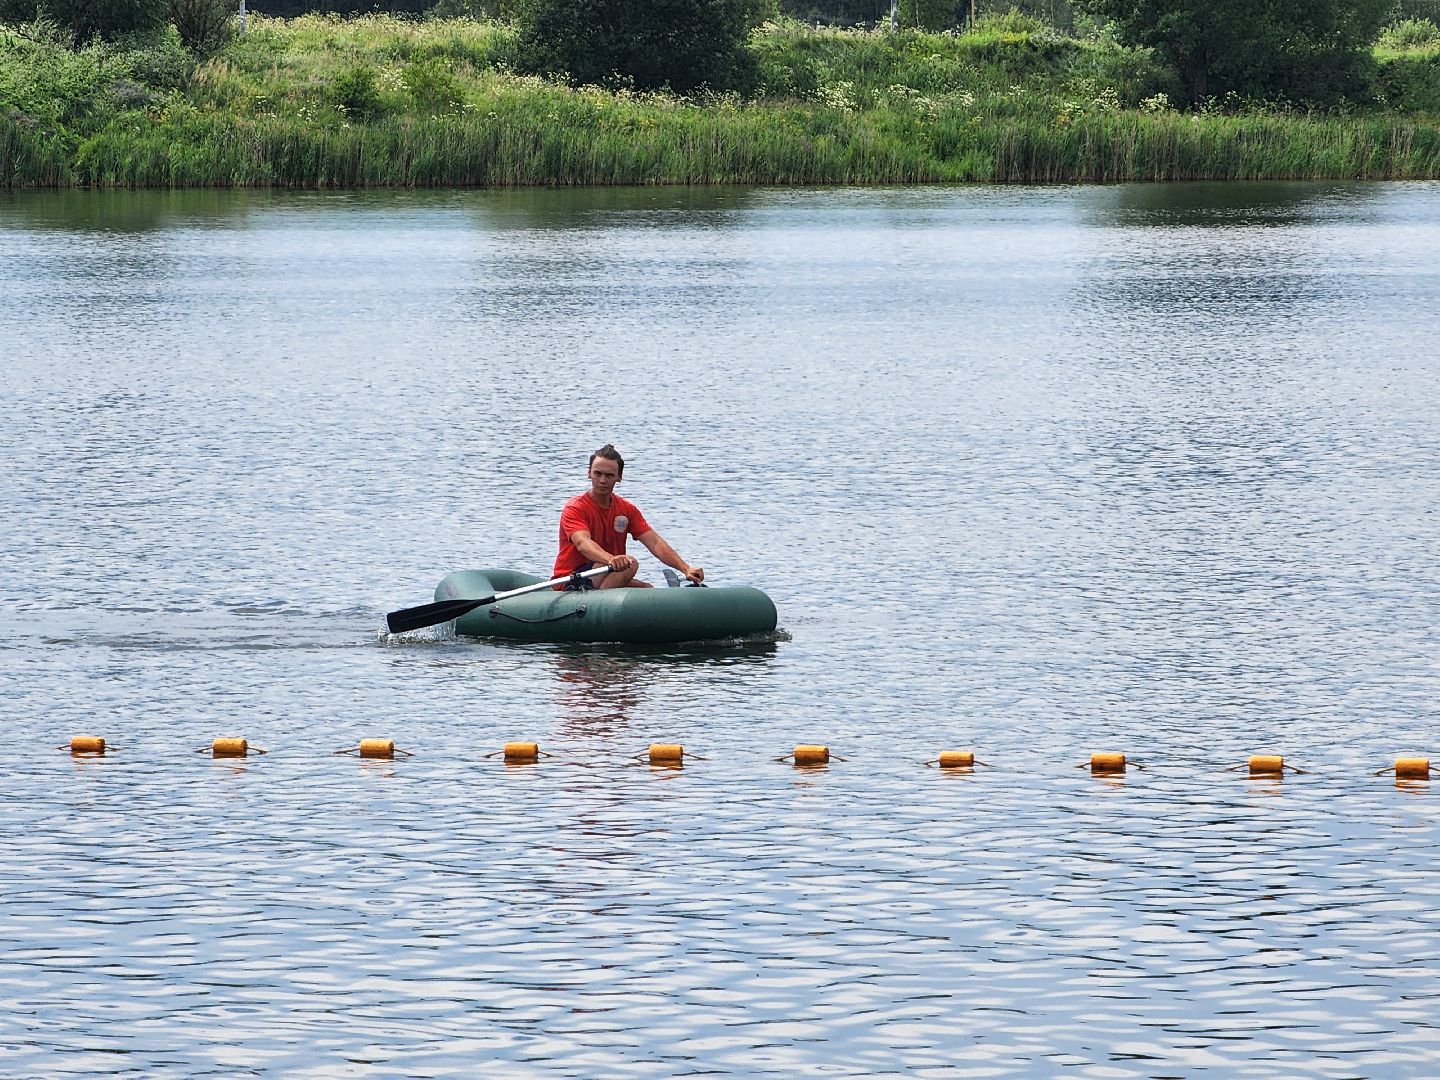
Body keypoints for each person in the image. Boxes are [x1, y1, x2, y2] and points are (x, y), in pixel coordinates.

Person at [553, 444, 704, 590]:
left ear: (619, 477)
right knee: (630, 564)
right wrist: (610, 559)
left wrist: (685, 569)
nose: (602, 480)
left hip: (607, 572)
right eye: (597, 473)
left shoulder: (626, 509)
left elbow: (655, 542)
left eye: (609, 475)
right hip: (572, 579)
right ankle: (597, 606)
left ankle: (601, 601)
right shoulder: (575, 507)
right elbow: (582, 543)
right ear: (589, 473)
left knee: (647, 589)